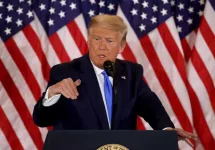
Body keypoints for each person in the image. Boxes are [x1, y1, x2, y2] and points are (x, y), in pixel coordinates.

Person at [33, 14, 197, 147]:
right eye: (97, 39)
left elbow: (150, 106)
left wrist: (167, 131)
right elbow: (42, 119)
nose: (101, 46)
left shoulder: (132, 72)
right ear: (89, 40)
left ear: (122, 46)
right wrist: (51, 93)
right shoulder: (64, 72)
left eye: (109, 41)